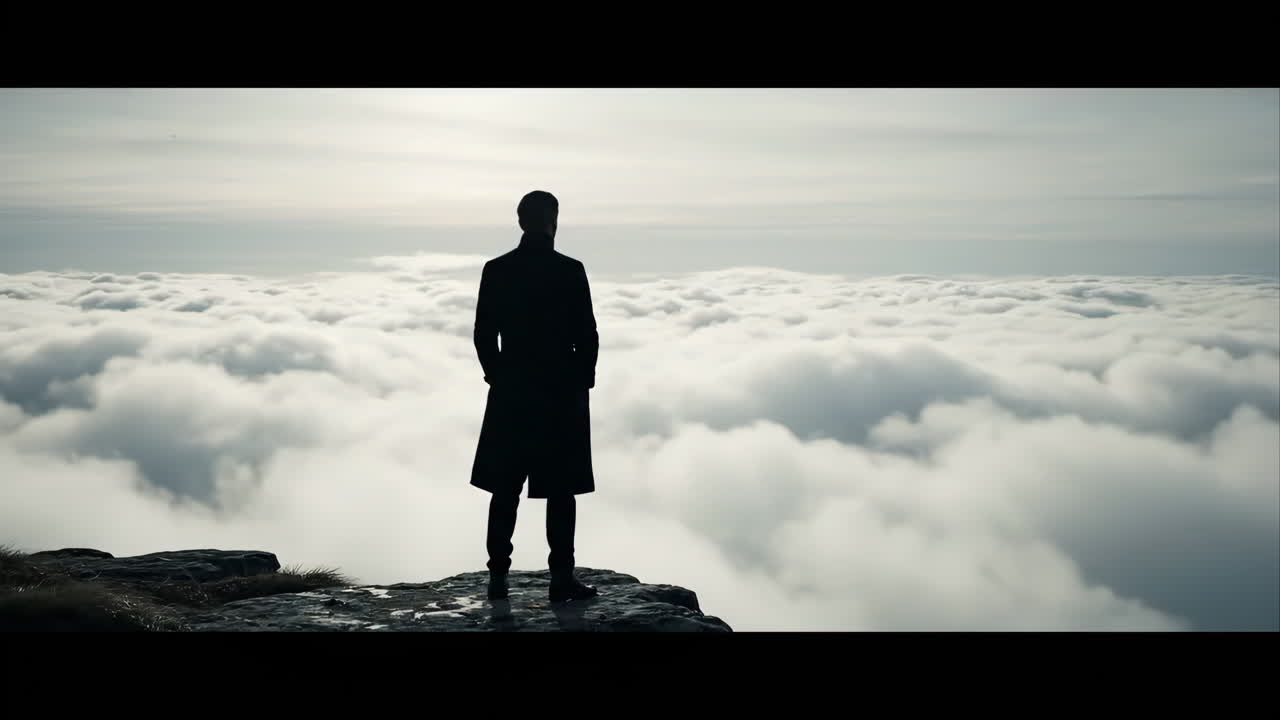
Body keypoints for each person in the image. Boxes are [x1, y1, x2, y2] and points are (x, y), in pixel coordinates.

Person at [470, 190, 601, 603]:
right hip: (560, 393)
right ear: (554, 220)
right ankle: (562, 577)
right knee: (561, 491)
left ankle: (497, 578)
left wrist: (497, 375)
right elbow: (588, 334)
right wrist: (583, 380)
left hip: (512, 392)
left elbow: (483, 333)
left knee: (504, 487)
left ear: (521, 221)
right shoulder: (569, 270)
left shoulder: (497, 269)